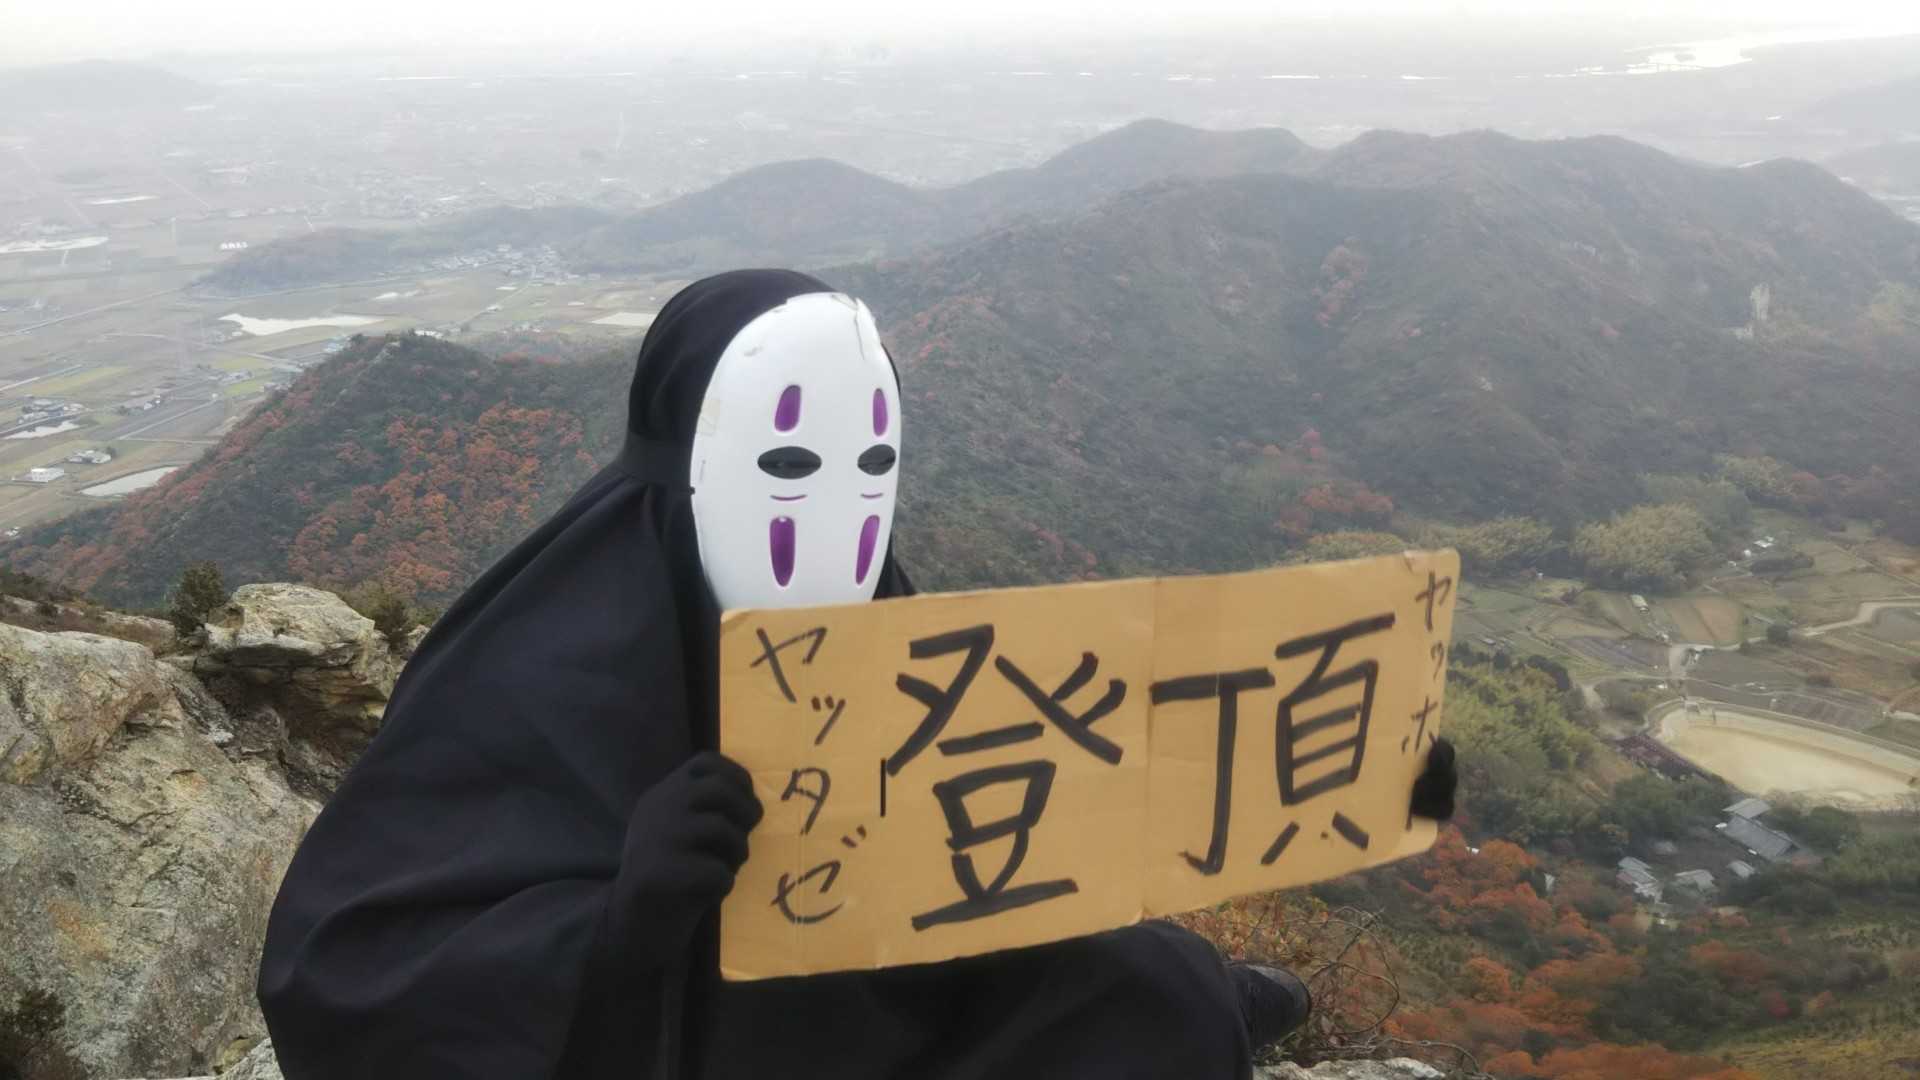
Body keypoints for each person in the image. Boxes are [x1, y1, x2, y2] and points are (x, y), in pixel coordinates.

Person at [257, 269, 1457, 1078]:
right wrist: (614, 924)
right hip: (669, 1037)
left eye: (872, 461)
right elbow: (339, 974)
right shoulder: (540, 657)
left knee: (1147, 986)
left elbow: (1048, 777)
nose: (840, 511)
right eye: (788, 461)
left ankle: (1212, 996)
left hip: (872, 984)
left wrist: (1351, 773)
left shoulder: (879, 615)